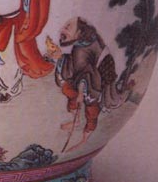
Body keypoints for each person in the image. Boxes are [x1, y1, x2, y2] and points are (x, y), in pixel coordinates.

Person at [53, 17, 128, 149]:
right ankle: (76, 120)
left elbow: (87, 71)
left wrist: (81, 91)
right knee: (67, 88)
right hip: (86, 77)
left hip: (99, 77)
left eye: (68, 27)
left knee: (91, 106)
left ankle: (86, 136)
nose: (62, 29)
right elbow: (75, 66)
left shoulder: (87, 47)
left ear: (79, 32)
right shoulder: (80, 45)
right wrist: (60, 58)